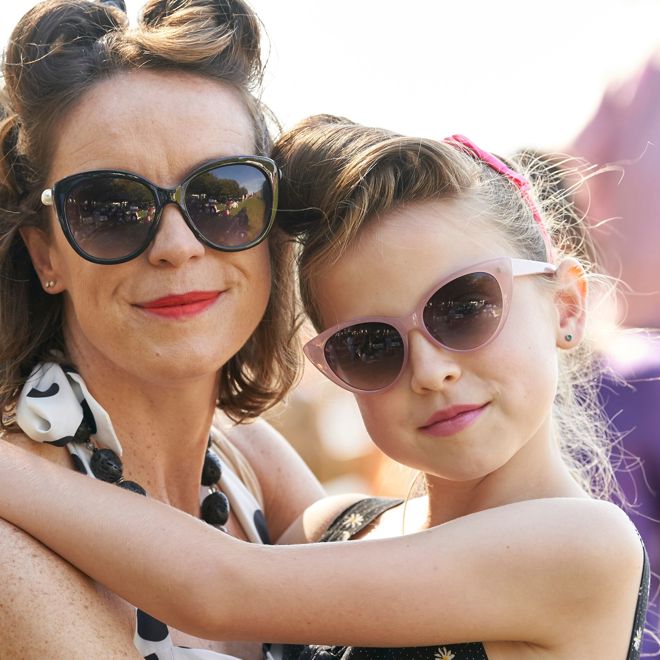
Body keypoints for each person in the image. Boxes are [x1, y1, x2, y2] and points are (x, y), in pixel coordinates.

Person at [0, 115, 650, 659]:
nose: (431, 372)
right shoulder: (328, 530)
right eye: (370, 346)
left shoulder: (586, 548)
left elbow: (217, 591)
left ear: (566, 306)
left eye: (464, 309)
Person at [0, 1, 324, 658]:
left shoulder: (248, 460)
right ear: (46, 255)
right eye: (110, 208)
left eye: (223, 196)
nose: (176, 247)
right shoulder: (13, 551)